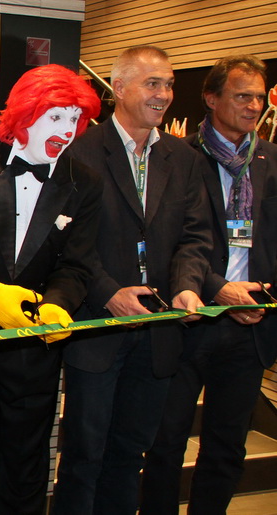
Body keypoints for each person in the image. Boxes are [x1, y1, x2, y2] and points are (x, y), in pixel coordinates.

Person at [0, 64, 102, 514]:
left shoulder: (84, 182)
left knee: (25, 467)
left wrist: (56, 306)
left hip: (35, 351)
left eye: (75, 119)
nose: (67, 130)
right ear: (26, 114)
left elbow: (77, 265)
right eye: (56, 116)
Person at [53, 45, 211, 514]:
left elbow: (195, 236)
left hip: (159, 333)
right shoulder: (78, 151)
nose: (164, 94)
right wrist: (108, 293)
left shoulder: (183, 158)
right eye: (152, 83)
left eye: (169, 84)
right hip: (97, 330)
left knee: (129, 456)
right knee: (83, 457)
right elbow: (66, 240)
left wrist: (187, 285)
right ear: (119, 88)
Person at [141, 54, 277, 514]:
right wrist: (217, 288)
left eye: (258, 97)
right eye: (242, 96)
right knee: (166, 443)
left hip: (251, 326)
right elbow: (167, 240)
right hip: (189, 318)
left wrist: (261, 296)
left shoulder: (270, 159)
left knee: (227, 447)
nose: (253, 106)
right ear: (211, 98)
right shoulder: (178, 158)